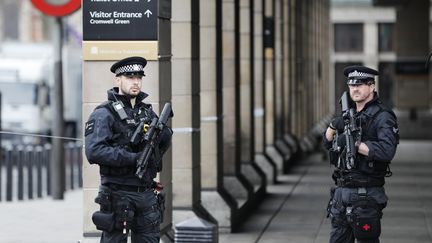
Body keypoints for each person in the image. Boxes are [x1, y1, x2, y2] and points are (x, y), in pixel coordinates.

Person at [85, 56, 173, 243]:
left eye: (139, 78)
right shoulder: (104, 113)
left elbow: (162, 143)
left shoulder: (147, 112)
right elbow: (94, 151)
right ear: (118, 80)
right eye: (130, 77)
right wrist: (133, 158)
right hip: (118, 194)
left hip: (146, 194)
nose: (136, 82)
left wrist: (162, 136)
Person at [323, 65, 399, 243]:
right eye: (351, 85)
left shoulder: (383, 117)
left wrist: (355, 145)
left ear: (372, 86)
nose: (355, 89)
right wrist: (333, 126)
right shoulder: (348, 115)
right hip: (341, 193)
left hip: (366, 194)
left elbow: (387, 151)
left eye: (361, 84)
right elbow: (327, 143)